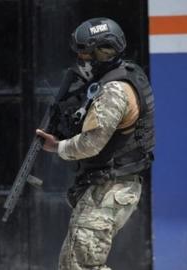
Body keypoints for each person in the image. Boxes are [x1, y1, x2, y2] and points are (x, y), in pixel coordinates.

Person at [36, 17, 155, 270]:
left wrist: (58, 147)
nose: (83, 58)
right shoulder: (124, 75)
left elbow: (92, 143)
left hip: (110, 188)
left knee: (82, 265)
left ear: (105, 52)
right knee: (72, 263)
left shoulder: (114, 89)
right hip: (109, 187)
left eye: (89, 53)